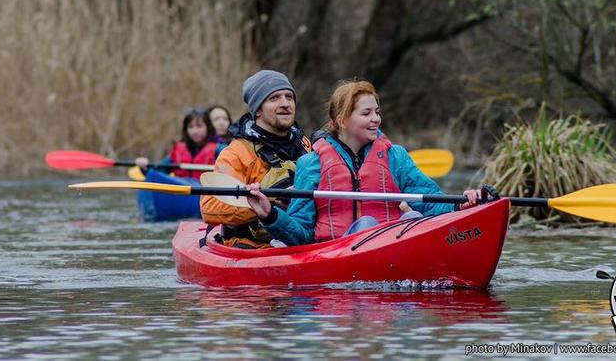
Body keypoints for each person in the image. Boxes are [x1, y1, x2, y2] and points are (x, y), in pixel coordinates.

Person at [245, 80, 497, 246]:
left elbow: (433, 203)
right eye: (366, 113)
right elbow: (300, 234)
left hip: (390, 248)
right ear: (342, 121)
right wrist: (270, 214)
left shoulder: (394, 156)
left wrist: (465, 204)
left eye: (377, 112)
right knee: (367, 225)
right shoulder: (311, 164)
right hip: (334, 255)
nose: (376, 119)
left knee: (415, 216)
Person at [201, 70, 311, 248]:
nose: (285, 104)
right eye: (274, 98)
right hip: (254, 247)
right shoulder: (236, 153)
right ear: (258, 109)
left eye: (289, 97)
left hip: (303, 240)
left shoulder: (306, 145)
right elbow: (210, 207)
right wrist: (268, 201)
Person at [135, 107, 218, 179]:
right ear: (186, 129)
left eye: (199, 126)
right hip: (181, 193)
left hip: (206, 194)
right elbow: (156, 173)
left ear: (208, 127)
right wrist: (144, 167)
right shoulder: (178, 150)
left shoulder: (219, 149)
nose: (195, 131)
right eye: (191, 127)